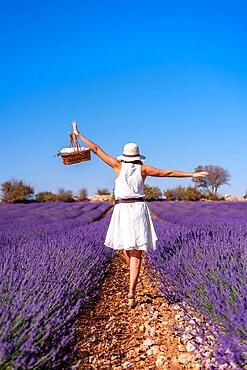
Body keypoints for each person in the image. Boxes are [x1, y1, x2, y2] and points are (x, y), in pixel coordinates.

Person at [71, 121, 209, 308]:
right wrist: (192, 174)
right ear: (137, 156)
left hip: (121, 209)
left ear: (124, 155)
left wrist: (78, 135)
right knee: (135, 251)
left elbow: (95, 149)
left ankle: (131, 290)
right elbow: (166, 172)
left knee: (123, 246)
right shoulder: (143, 169)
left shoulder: (117, 165)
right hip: (138, 210)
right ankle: (132, 290)